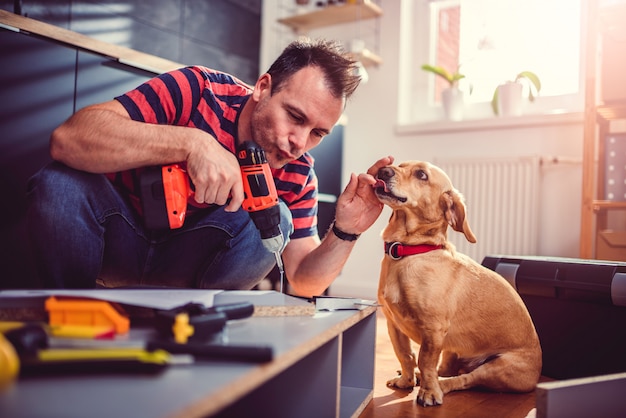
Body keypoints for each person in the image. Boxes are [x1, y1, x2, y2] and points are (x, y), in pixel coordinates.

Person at [26, 38, 393, 297]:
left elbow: (304, 280)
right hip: (116, 240)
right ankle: (70, 313)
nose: (299, 141)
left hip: (186, 278)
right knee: (60, 183)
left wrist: (346, 232)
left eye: (317, 132)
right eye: (294, 116)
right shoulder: (197, 89)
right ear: (263, 87)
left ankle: (189, 319)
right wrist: (192, 143)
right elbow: (68, 138)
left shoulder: (298, 171)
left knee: (276, 218)